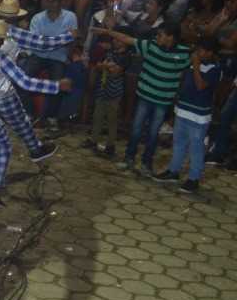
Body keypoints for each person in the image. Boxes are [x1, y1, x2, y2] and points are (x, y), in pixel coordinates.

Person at [0, 19, 69, 208]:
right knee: (3, 146)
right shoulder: (0, 58)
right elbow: (26, 83)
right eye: (2, 40)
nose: (4, 43)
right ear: (0, 40)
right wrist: (57, 85)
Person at [92, 23, 192, 175]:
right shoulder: (150, 46)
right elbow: (127, 39)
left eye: (160, 35)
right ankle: (129, 159)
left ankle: (146, 163)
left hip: (163, 101)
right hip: (145, 97)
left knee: (153, 133)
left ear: (171, 37)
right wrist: (108, 31)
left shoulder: (185, 53)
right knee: (136, 129)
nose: (157, 37)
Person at [150, 36, 219, 193]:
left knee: (196, 148)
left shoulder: (215, 69)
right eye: (197, 50)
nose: (198, 53)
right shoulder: (192, 64)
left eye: (201, 51)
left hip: (198, 115)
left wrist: (195, 65)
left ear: (210, 53)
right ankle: (173, 171)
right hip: (183, 109)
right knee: (178, 143)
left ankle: (193, 179)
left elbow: (201, 86)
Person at [26, 0, 79, 128]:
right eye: (47, 0)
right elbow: (37, 42)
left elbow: (73, 39)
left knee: (58, 84)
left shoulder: (70, 17)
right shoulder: (37, 18)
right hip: (38, 54)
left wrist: (67, 55)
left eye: (53, 0)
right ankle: (29, 113)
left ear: (61, 2)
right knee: (22, 78)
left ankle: (51, 116)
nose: (50, 3)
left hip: (59, 56)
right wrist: (61, 40)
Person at [86, 33, 130, 157]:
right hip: (102, 87)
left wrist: (104, 66)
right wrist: (105, 66)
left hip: (114, 91)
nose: (115, 41)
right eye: (114, 39)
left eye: (118, 39)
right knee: (97, 116)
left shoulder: (126, 56)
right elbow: (99, 66)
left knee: (112, 119)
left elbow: (116, 71)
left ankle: (110, 146)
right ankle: (93, 140)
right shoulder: (109, 52)